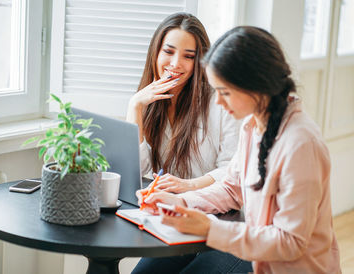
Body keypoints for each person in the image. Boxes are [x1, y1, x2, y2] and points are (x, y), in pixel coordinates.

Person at [133, 26, 341, 273]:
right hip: (254, 248)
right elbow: (232, 189)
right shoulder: (253, 126)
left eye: (225, 92)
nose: (218, 101)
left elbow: (291, 242)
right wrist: (179, 202)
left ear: (256, 86)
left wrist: (209, 229)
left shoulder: (300, 144)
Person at [126, 12, 240, 194]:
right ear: (155, 52)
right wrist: (135, 107)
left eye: (188, 56)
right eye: (168, 52)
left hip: (208, 208)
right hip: (161, 206)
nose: (175, 63)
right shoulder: (146, 102)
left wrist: (189, 185)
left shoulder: (220, 103)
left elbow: (233, 170)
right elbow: (138, 174)